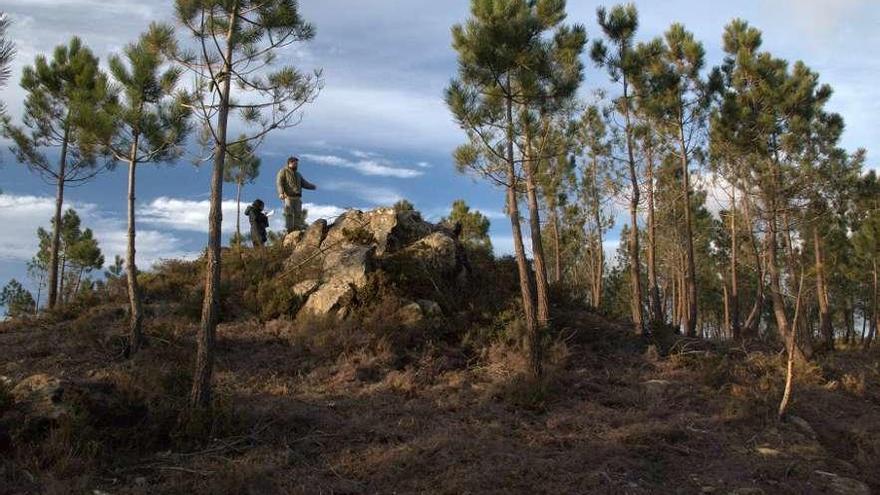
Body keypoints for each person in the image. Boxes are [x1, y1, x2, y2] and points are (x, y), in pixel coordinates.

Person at [276, 156, 317, 232]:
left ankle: (297, 229)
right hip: (288, 197)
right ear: (289, 163)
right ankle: (290, 230)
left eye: (297, 163)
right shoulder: (283, 171)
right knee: (289, 214)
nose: (296, 165)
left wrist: (313, 186)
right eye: (294, 163)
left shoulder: (298, 174)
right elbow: (279, 182)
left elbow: (304, 183)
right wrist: (281, 193)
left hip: (297, 198)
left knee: (298, 214)